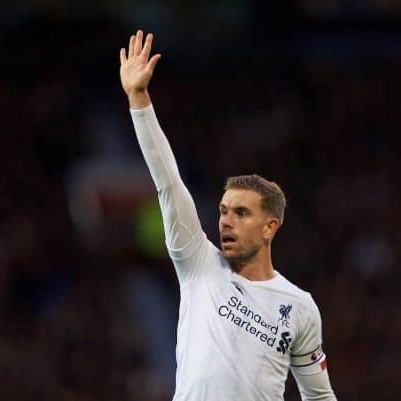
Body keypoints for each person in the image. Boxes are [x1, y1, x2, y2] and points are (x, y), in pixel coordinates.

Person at [119, 30, 337, 401]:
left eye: (241, 212)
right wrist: (139, 100)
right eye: (222, 211)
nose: (225, 221)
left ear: (270, 226)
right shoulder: (198, 263)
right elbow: (168, 182)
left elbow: (318, 396)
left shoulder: (299, 307)